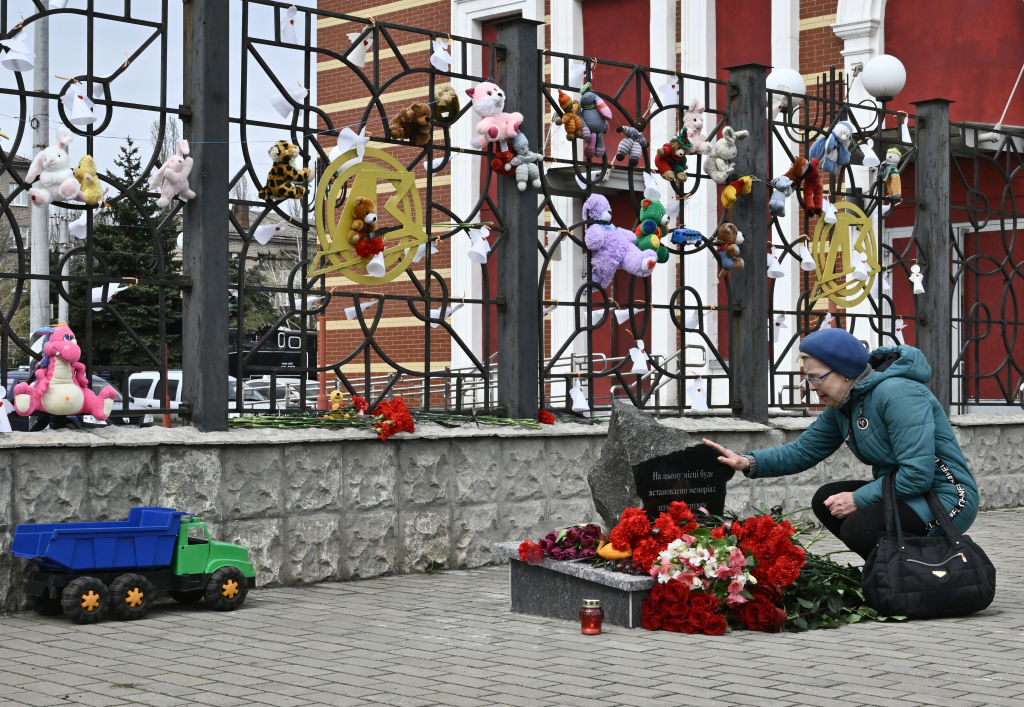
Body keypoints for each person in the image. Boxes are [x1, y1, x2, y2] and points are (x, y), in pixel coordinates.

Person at [704, 328, 979, 560]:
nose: (811, 386)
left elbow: (918, 474)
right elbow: (803, 450)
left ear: (845, 371)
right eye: (808, 378)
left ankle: (915, 576)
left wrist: (857, 499)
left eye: (816, 377)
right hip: (904, 492)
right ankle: (893, 575)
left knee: (860, 527)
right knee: (827, 500)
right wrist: (748, 462)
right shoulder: (845, 404)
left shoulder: (899, 394)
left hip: (946, 497)